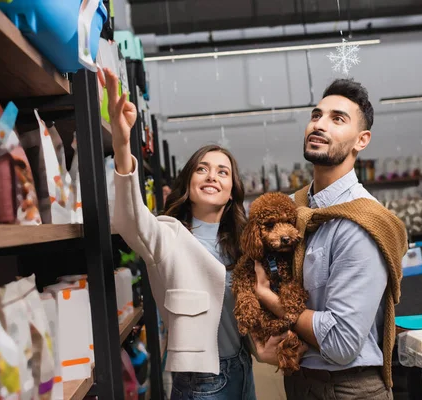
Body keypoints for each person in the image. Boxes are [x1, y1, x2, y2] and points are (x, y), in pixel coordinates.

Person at [103, 67, 256, 400]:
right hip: (203, 384)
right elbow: (130, 219)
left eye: (222, 171)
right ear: (189, 182)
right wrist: (120, 140)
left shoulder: (242, 243)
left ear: (232, 191)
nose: (211, 175)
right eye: (202, 168)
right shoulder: (167, 237)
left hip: (243, 369)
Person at [253, 79, 405, 399]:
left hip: (349, 388)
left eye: (337, 119)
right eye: (316, 115)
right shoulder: (294, 209)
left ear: (361, 140)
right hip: (300, 380)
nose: (320, 125)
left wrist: (270, 300)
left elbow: (341, 344)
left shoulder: (361, 223)